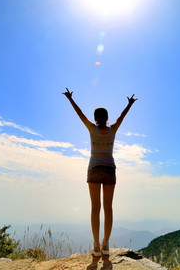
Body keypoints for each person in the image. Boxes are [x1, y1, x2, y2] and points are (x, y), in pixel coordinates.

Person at [62, 88, 137, 261]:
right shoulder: (113, 129)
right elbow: (121, 117)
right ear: (107, 118)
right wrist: (129, 104)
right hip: (110, 169)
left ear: (95, 118)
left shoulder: (91, 128)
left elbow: (79, 114)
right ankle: (106, 244)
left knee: (95, 208)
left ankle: (96, 245)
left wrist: (70, 99)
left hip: (94, 169)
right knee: (108, 208)